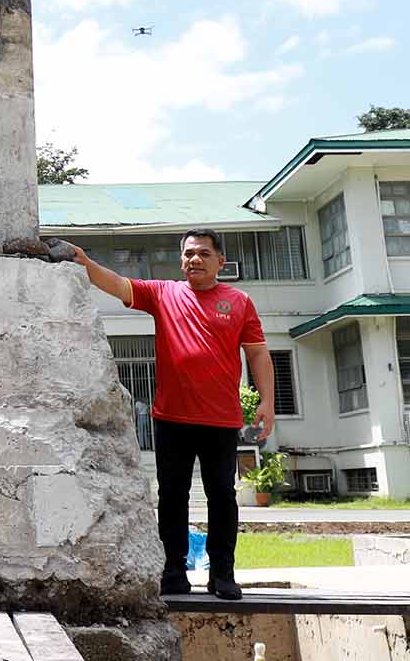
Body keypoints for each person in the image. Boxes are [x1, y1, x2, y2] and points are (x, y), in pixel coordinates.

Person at [70, 230, 271, 601]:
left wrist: (267, 402)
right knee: (172, 496)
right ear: (182, 261)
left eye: (204, 253)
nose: (195, 259)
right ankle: (174, 570)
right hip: (172, 419)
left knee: (222, 496)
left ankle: (223, 574)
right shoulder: (164, 294)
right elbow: (118, 285)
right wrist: (85, 263)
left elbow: (258, 353)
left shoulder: (238, 301)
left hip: (221, 421)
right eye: (189, 254)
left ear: (220, 261)